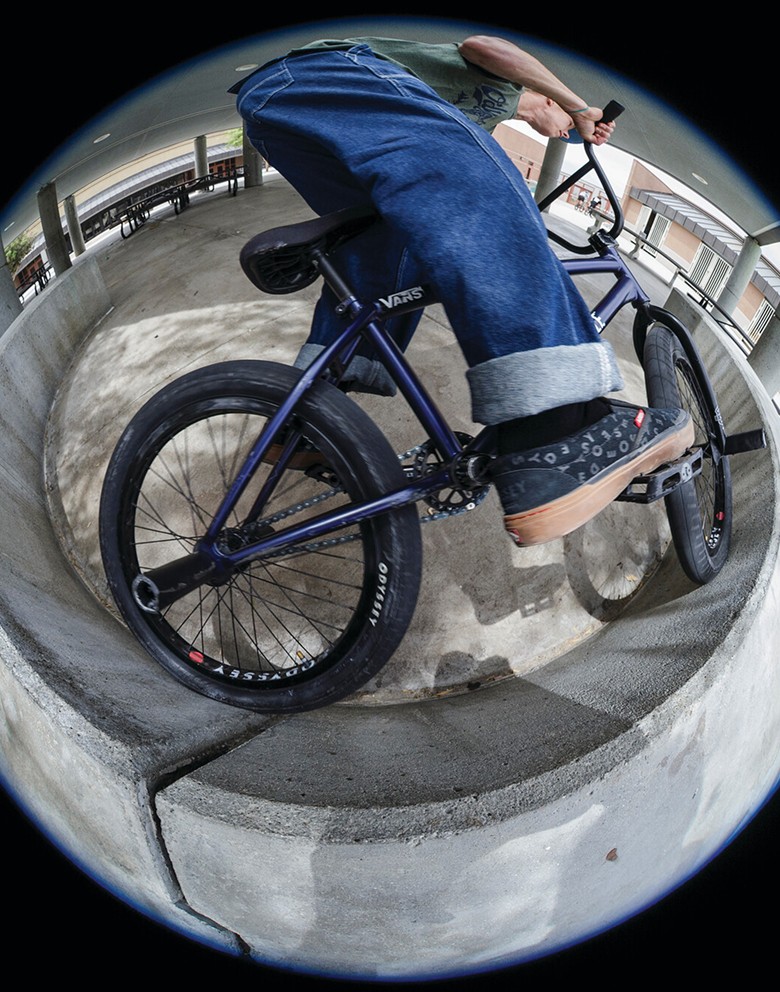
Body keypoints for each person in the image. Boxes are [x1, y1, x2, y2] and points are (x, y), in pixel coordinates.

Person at [230, 35, 692, 547]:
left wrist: (567, 123)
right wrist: (576, 106)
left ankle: (306, 421)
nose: (559, 131)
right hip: (321, 75)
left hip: (291, 115)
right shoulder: (506, 85)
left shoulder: (459, 117)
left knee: (389, 249)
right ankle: (555, 429)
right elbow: (484, 45)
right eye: (557, 123)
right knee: (483, 177)